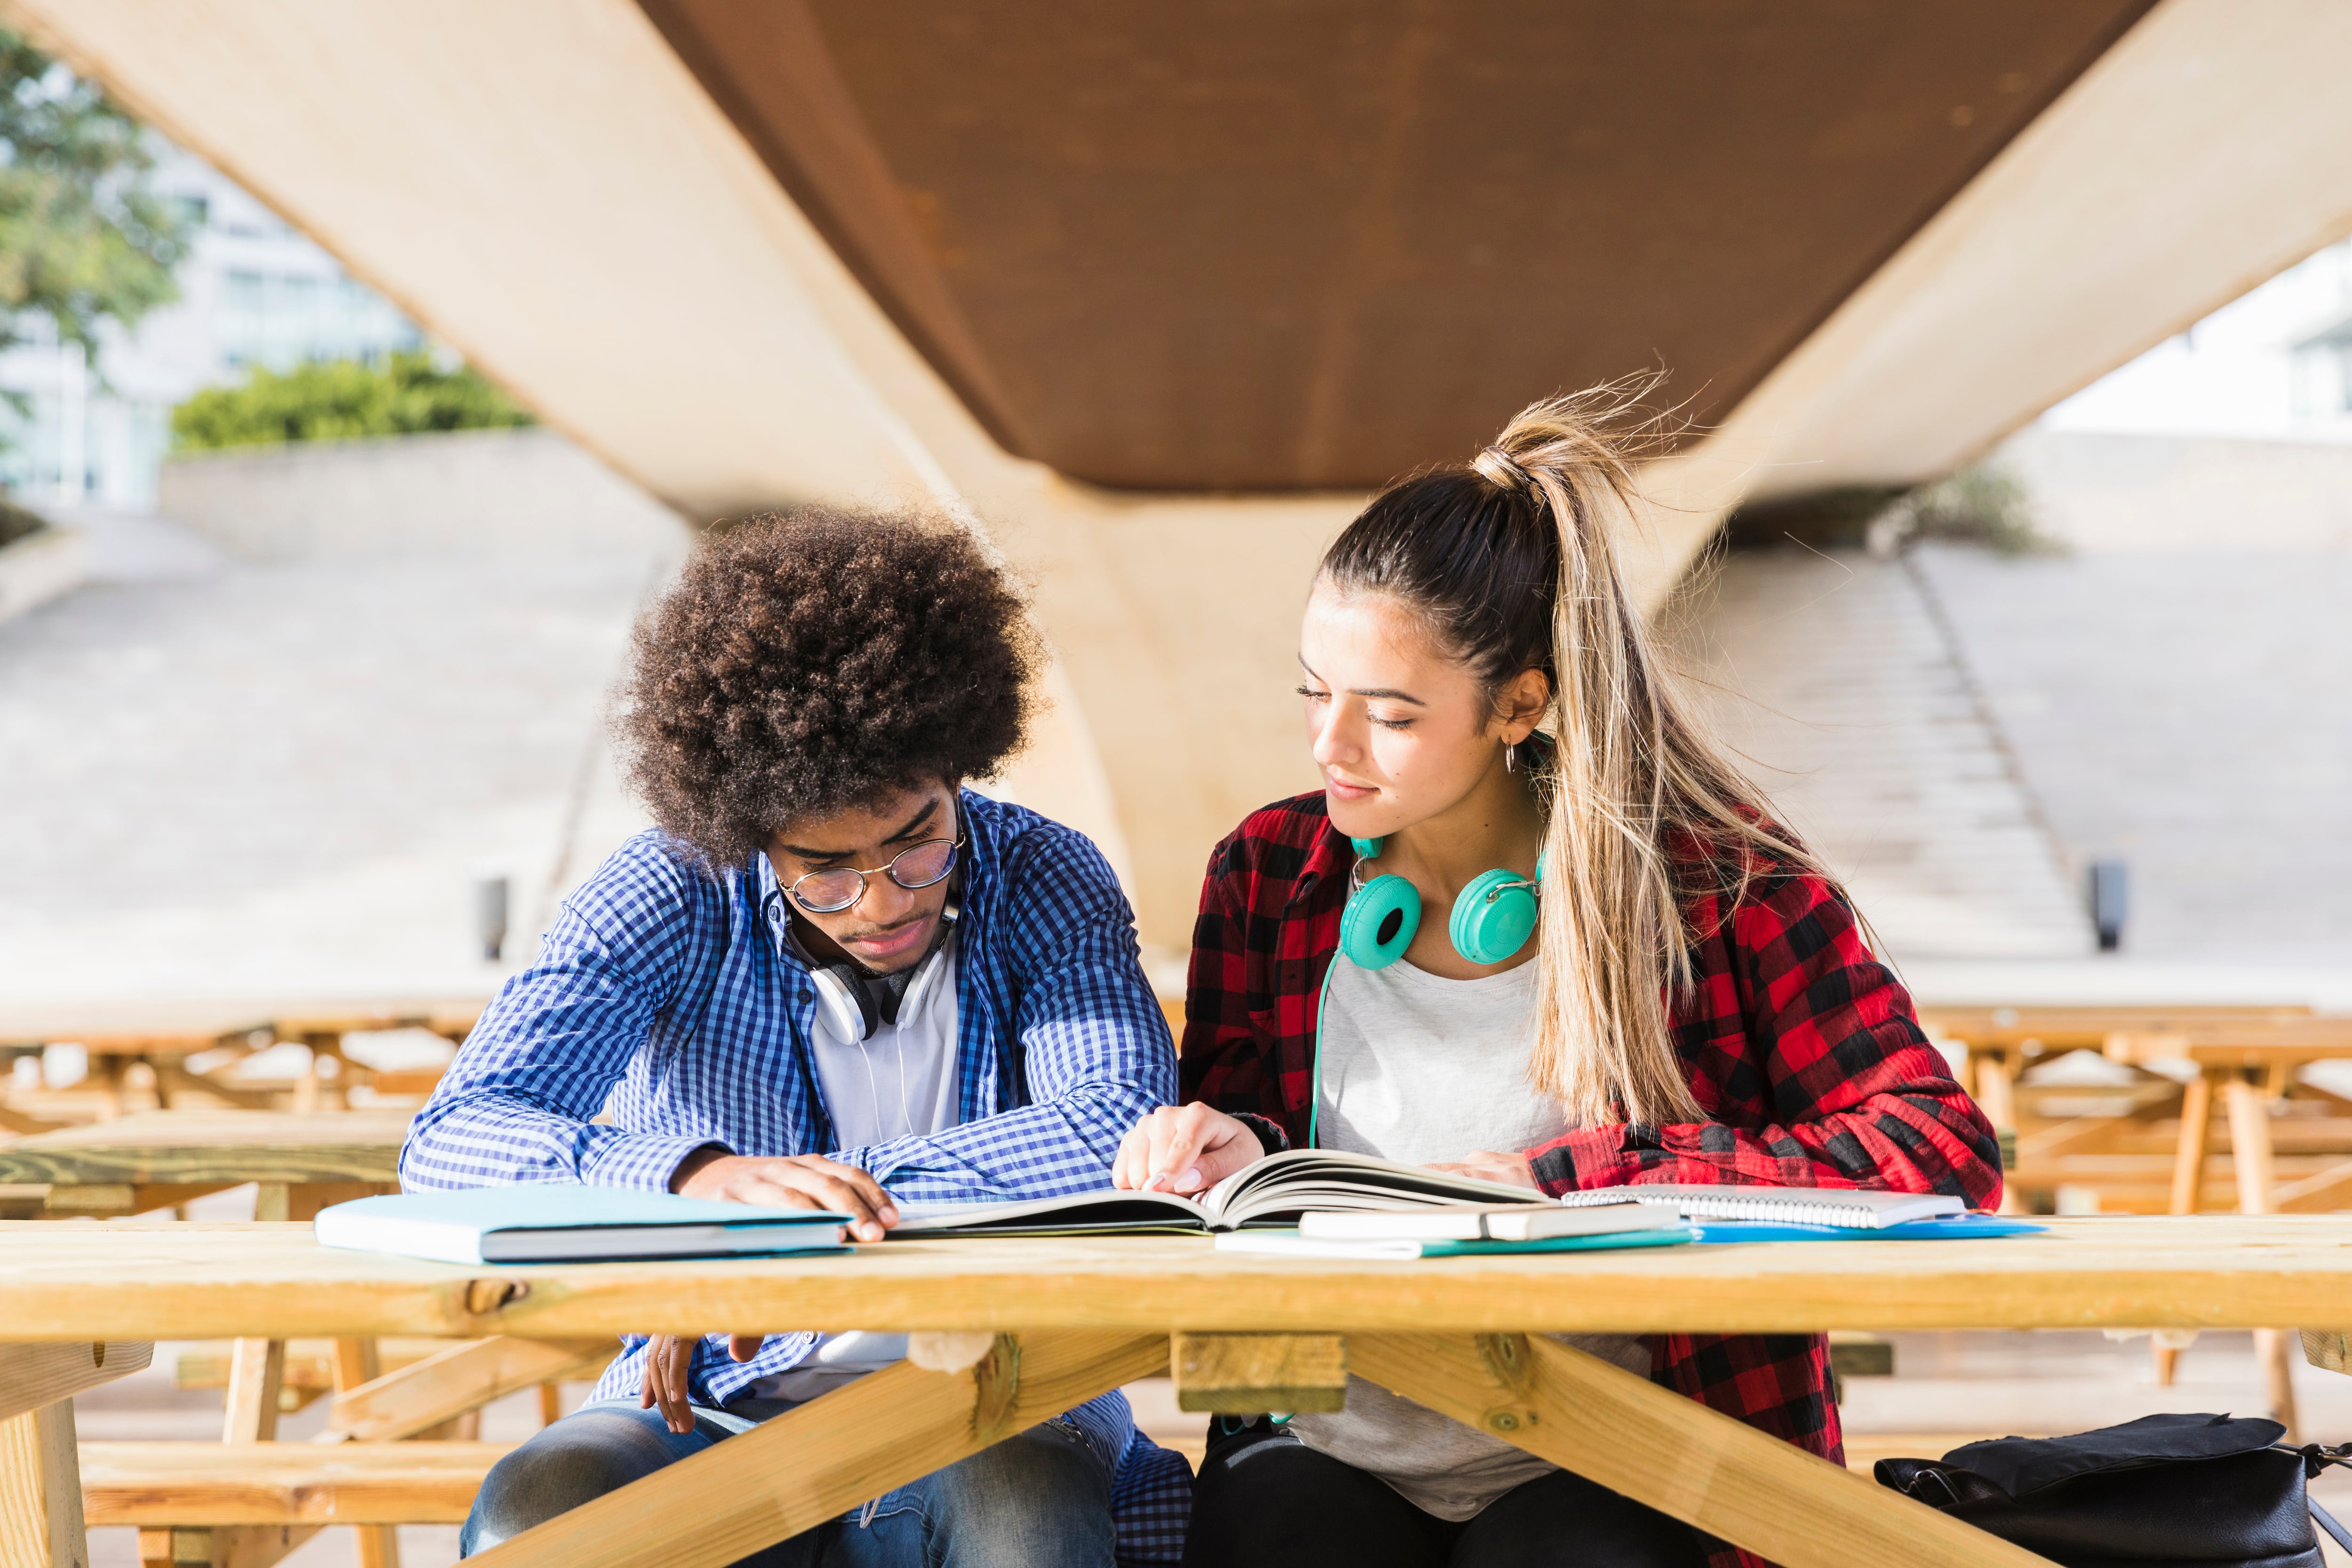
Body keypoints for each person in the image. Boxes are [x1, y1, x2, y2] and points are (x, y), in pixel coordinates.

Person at [1112, 388, 2002, 1568]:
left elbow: (1939, 1147)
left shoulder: (1716, 885)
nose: (1329, 744)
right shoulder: (1269, 872)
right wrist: (1233, 1144)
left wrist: (1577, 1180)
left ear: (1520, 703)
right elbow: (1260, 1153)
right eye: (1313, 691)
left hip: (1619, 1456)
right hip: (1321, 1442)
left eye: (1389, 715)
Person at [404, 507, 1189, 1567]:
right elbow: (453, 1138)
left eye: (917, 841)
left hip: (999, 1388)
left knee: (1025, 1512)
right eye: (824, 868)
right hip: (712, 1395)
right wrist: (697, 1182)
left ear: (959, 770)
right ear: (748, 833)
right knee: (537, 1512)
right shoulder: (671, 889)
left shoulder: (1045, 874)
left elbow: (1118, 1129)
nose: (883, 901)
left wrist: (774, 1236)